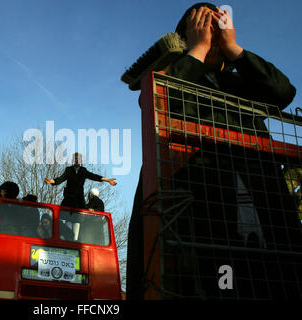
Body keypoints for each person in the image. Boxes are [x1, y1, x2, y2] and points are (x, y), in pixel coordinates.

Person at [126, 2, 301, 299]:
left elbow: (283, 92)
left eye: (217, 28)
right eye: (203, 28)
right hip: (206, 223)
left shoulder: (240, 83)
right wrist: (196, 51)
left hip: (266, 218)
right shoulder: (173, 74)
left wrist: (233, 47)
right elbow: (159, 103)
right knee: (218, 289)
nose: (213, 37)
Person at [44, 152, 117, 210]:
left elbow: (94, 176)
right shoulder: (69, 170)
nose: (77, 160)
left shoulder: (83, 170)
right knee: (65, 214)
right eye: (75, 159)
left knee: (78, 218)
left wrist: (107, 180)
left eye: (78, 159)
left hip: (79, 199)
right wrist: (51, 181)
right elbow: (61, 178)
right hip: (69, 197)